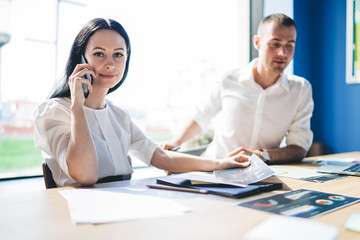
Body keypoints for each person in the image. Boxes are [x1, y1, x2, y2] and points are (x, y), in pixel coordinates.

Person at [33, 18, 250, 187]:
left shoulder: (119, 115)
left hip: (124, 206)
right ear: (81, 59)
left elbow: (160, 156)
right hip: (78, 215)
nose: (110, 64)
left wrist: (219, 163)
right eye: (99, 54)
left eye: (118, 55)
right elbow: (86, 175)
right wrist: (77, 106)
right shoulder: (53, 111)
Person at [162, 13, 314, 164]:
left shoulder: (301, 89)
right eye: (275, 44)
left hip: (261, 176)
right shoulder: (228, 80)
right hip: (214, 171)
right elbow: (201, 116)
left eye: (289, 45)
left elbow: (299, 148)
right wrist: (175, 143)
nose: (282, 53)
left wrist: (260, 155)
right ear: (257, 42)